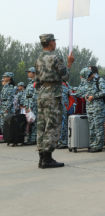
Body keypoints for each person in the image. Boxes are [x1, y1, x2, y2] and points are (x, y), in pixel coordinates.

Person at [35, 33, 74, 169]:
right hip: (53, 95)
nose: (55, 43)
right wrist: (69, 63)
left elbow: (37, 82)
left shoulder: (39, 59)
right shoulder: (55, 58)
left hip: (42, 95)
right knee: (52, 125)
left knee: (42, 126)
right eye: (54, 41)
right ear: (51, 42)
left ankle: (41, 158)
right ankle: (47, 159)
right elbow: (65, 77)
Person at [75, 67, 105, 152]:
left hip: (98, 108)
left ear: (90, 75)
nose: (87, 80)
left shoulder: (99, 80)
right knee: (91, 126)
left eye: (87, 78)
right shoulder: (87, 81)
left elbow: (104, 92)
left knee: (98, 127)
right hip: (89, 107)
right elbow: (85, 91)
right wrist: (86, 96)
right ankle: (93, 145)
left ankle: (99, 146)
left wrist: (93, 96)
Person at [24, 67, 38, 145]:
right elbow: (26, 95)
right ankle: (29, 138)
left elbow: (35, 95)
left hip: (34, 105)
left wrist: (31, 106)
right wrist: (26, 105)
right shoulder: (30, 82)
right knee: (29, 121)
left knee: (34, 122)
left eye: (30, 72)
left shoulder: (36, 82)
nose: (28, 73)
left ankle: (33, 139)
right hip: (28, 103)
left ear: (34, 73)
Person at [56, 81, 71, 149]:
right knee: (60, 125)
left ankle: (63, 142)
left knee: (63, 125)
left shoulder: (62, 85)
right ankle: (60, 141)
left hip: (62, 107)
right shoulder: (61, 84)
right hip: (60, 107)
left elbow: (63, 97)